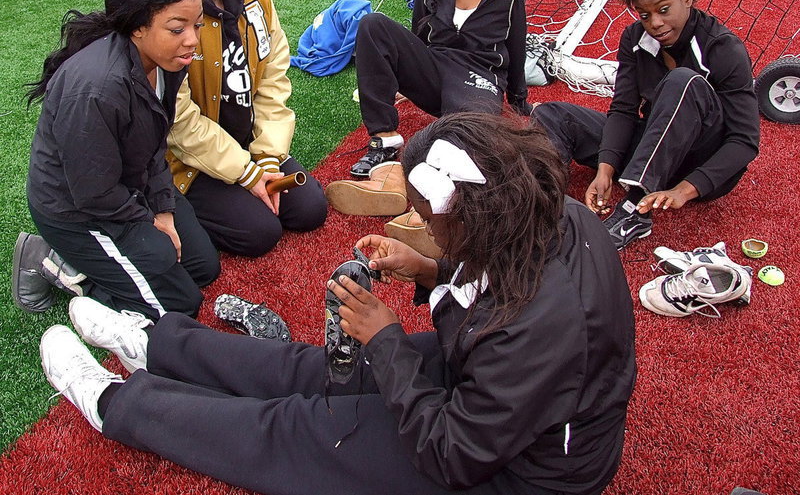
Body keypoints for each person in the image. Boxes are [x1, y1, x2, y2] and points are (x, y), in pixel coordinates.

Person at [40, 112, 636, 495]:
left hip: (527, 474)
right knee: (316, 371)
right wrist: (430, 266)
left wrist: (385, 341)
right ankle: (157, 347)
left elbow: (454, 453)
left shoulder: (536, 326)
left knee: (305, 429)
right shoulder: (556, 216)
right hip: (504, 387)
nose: (414, 224)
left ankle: (116, 404)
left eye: (426, 221)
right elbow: (502, 289)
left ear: (475, 216)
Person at [16, 0, 220, 321]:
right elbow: (92, 192)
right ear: (137, 28)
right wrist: (147, 218)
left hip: (126, 185)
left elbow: (156, 145)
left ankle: (118, 256)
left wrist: (164, 209)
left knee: (203, 268)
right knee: (177, 308)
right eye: (177, 28)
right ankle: (56, 263)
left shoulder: (166, 62)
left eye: (197, 25)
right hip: (78, 210)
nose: (192, 40)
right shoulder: (97, 89)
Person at [533, 0, 760, 250]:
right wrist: (605, 169)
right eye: (644, 14)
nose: (655, 23)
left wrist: (684, 189)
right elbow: (624, 109)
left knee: (683, 82)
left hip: (700, 160)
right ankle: (541, 199)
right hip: (651, 148)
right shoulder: (634, 39)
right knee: (552, 113)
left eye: (664, 10)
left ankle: (633, 212)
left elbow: (744, 142)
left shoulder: (722, 48)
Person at [163, 0, 327, 258]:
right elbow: (180, 123)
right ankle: (183, 208)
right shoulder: (171, 17)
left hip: (248, 141)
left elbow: (273, 80)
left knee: (311, 209)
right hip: (193, 158)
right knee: (259, 233)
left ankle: (250, 176)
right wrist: (246, 175)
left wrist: (267, 158)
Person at [347, 0, 530, 179]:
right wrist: (404, 78)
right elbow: (416, 42)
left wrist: (518, 103)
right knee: (372, 24)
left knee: (475, 148)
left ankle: (419, 188)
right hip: (436, 73)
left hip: (477, 81)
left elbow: (516, 50)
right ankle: (385, 141)